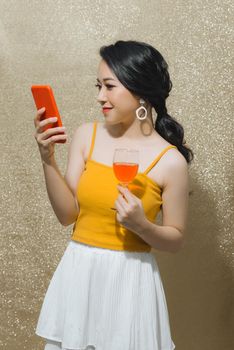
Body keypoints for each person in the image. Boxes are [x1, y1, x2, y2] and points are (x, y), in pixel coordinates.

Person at [34, 40, 194, 350]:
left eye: (109, 86)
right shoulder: (86, 135)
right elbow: (67, 215)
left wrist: (141, 226)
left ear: (140, 91)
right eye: (98, 86)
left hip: (130, 282)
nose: (99, 97)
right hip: (81, 273)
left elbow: (175, 239)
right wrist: (47, 158)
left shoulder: (170, 161)